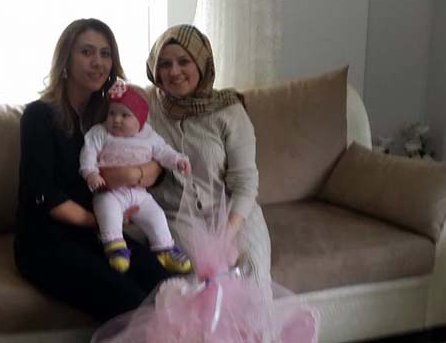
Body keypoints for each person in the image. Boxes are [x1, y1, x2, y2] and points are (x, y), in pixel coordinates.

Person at [14, 18, 172, 322]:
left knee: (164, 282)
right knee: (130, 301)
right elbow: (41, 192)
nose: (98, 62)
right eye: (86, 52)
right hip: (46, 240)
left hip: (97, 233)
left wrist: (138, 173)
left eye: (105, 53)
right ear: (66, 59)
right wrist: (98, 221)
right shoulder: (38, 115)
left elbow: (155, 159)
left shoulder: (110, 114)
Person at [143, 24, 272, 288]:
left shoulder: (229, 111)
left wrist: (227, 234)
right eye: (165, 64)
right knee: (205, 277)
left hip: (234, 212)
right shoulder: (146, 106)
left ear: (202, 64)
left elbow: (245, 184)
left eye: (184, 61)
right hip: (178, 216)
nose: (174, 71)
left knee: (252, 271)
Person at [79, 80, 192, 274]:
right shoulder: (101, 132)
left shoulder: (149, 135)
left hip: (139, 193)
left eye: (125, 115)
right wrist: (90, 172)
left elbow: (163, 151)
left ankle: (164, 248)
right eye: (112, 113)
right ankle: (115, 246)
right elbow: (88, 151)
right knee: (107, 211)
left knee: (156, 215)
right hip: (110, 191)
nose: (116, 120)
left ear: (140, 119)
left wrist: (177, 160)